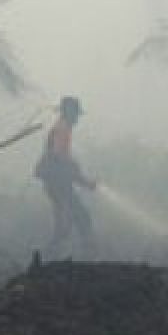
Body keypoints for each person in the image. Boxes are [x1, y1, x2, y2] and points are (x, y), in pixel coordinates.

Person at [34, 95, 99, 256]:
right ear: (69, 113)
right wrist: (82, 178)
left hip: (57, 182)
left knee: (70, 221)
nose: (78, 118)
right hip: (57, 183)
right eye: (76, 114)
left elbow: (63, 159)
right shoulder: (62, 128)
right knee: (79, 218)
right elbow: (59, 156)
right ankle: (86, 254)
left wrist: (81, 177)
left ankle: (53, 255)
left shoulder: (62, 128)